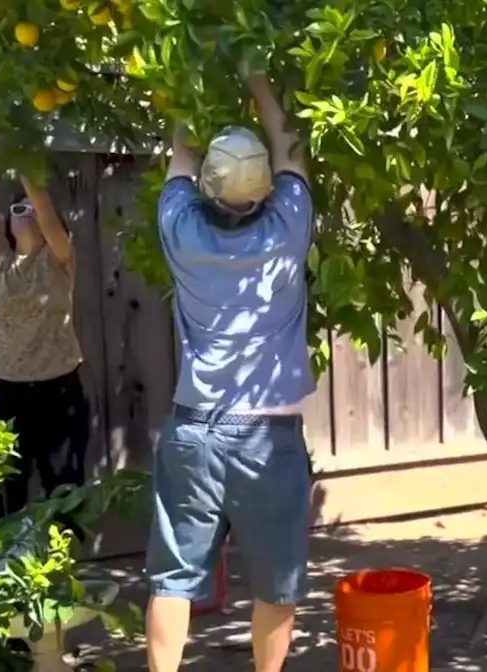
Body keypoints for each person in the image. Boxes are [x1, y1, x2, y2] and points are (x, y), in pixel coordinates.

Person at [144, 71, 315, 672]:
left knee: (173, 578)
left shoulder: (181, 230)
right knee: (277, 583)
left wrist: (192, 85)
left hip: (195, 430)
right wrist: (257, 81)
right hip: (269, 438)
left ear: (208, 189)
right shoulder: (288, 227)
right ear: (265, 189)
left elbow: (179, 157)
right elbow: (289, 147)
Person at [0, 166, 90, 526]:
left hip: (57, 390)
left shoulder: (58, 259)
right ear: (6, 224)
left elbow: (46, 213)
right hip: (1, 392)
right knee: (1, 497)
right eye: (17, 210)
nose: (26, 214)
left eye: (30, 210)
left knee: (64, 496)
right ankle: (3, 578)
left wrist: (23, 162)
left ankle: (63, 574)